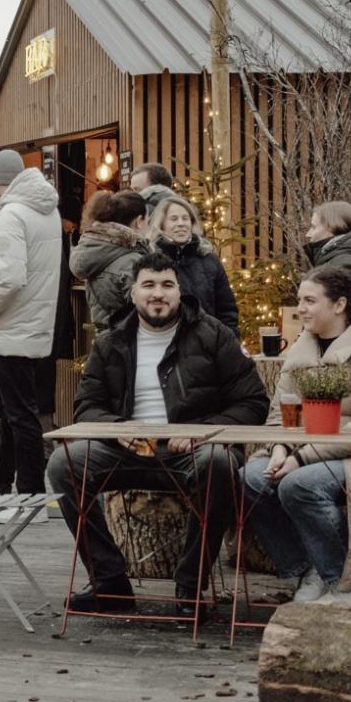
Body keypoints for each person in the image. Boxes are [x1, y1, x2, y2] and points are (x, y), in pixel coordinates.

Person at [48, 251, 269, 615]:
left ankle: (190, 585)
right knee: (63, 464)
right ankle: (110, 584)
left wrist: (201, 432)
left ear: (179, 291)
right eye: (148, 285)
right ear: (133, 293)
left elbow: (253, 403)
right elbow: (85, 408)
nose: (158, 293)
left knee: (218, 463)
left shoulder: (213, 335)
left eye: (167, 285)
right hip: (127, 449)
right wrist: (119, 430)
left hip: (191, 450)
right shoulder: (111, 342)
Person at [243, 265, 351, 604]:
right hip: (303, 450)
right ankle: (310, 569)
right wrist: (280, 447)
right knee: (251, 477)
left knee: (300, 484)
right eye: (300, 300)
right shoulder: (300, 352)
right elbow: (278, 416)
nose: (301, 308)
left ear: (339, 305)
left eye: (310, 300)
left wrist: (299, 457)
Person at [0, 149, 61, 514]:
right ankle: (1, 481)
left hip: (11, 324)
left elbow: (8, 278)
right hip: (36, 322)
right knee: (15, 410)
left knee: (20, 415)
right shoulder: (47, 209)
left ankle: (29, 497)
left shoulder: (12, 214)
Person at [149, 194, 239, 336]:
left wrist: (226, 343)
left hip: (207, 347)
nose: (181, 223)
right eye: (174, 219)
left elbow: (227, 311)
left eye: (185, 218)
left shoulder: (209, 260)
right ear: (161, 224)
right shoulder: (151, 261)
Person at [69, 189, 148, 336]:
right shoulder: (133, 261)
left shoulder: (97, 252)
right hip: (130, 344)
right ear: (139, 221)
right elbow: (146, 312)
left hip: (104, 341)